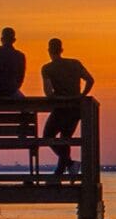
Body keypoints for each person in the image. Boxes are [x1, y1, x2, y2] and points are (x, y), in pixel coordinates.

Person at [39, 39, 95, 179]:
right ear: (61, 49)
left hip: (60, 109)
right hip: (76, 109)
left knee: (47, 137)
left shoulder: (47, 68)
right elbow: (90, 80)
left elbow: (48, 93)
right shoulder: (75, 64)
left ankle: (69, 165)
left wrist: (55, 95)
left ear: (49, 51)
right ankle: (62, 171)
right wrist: (82, 95)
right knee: (66, 138)